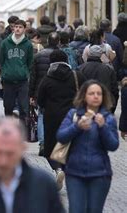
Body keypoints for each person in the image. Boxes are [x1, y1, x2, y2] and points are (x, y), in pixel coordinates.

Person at [57, 80, 119, 213]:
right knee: (76, 209)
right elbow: (61, 136)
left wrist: (103, 127)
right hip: (74, 173)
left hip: (100, 174)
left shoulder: (108, 118)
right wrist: (77, 127)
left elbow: (113, 145)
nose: (96, 96)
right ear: (84, 96)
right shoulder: (73, 114)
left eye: (99, 93)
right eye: (91, 93)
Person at [37, 50, 85, 190]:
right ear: (66, 60)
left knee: (51, 147)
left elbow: (40, 100)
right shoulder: (77, 75)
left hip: (52, 117)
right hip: (73, 116)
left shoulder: (47, 79)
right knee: (70, 145)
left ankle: (58, 169)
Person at [29, 32, 59, 154]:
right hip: (56, 90)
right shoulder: (61, 55)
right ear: (58, 42)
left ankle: (42, 143)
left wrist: (31, 94)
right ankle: (54, 143)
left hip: (40, 90)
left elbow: (33, 77)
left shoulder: (38, 55)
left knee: (41, 116)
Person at [0, 19, 33, 122]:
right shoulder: (5, 43)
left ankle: (23, 133)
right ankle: (9, 131)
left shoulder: (28, 44)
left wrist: (26, 73)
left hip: (22, 81)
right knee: (8, 107)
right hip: (8, 80)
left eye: (20, 27)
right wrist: (4, 73)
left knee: (24, 108)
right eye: (16, 27)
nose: (17, 29)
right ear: (13, 28)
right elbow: (1, 60)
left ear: (24, 29)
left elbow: (30, 62)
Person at [79, 45, 119, 111]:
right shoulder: (108, 69)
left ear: (89, 54)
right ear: (100, 55)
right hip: (104, 104)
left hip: (85, 104)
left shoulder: (80, 68)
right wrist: (112, 107)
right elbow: (114, 90)